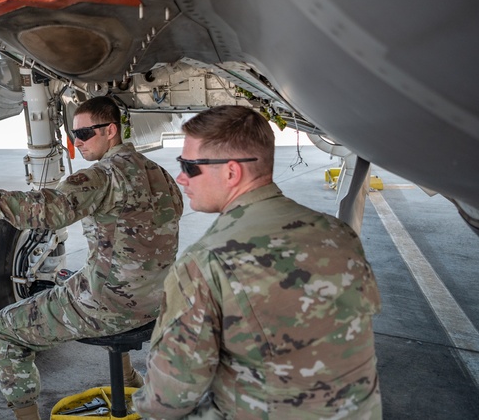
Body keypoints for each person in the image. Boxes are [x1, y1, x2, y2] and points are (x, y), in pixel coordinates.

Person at [132, 105, 382, 419]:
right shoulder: (340, 234)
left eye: (189, 165)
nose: (180, 177)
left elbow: (168, 398)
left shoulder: (205, 262)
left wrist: (140, 404)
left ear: (231, 172)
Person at [0, 96, 183, 420]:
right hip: (158, 301)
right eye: (73, 134)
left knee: (1, 328)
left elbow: (46, 211)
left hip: (111, 307)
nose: (76, 142)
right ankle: (129, 381)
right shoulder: (161, 175)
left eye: (84, 134)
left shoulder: (100, 176)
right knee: (85, 278)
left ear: (111, 130)